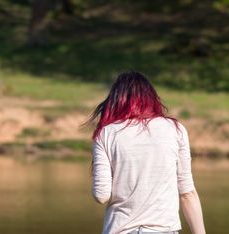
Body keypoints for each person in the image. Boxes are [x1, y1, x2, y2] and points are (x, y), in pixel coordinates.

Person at [83, 71, 206, 234]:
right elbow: (187, 193)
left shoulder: (106, 133)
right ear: (151, 97)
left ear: (116, 100)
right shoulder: (175, 130)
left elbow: (101, 195)